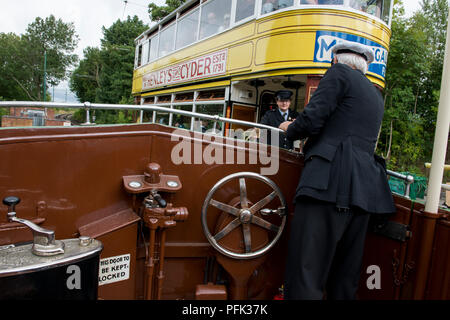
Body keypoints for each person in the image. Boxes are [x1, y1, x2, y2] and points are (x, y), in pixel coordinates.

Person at [279, 41, 396, 299]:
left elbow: (312, 119)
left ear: (335, 61)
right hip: (363, 192)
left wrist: (289, 129)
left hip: (327, 185)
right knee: (344, 279)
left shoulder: (338, 74)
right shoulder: (375, 94)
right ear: (364, 67)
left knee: (306, 273)